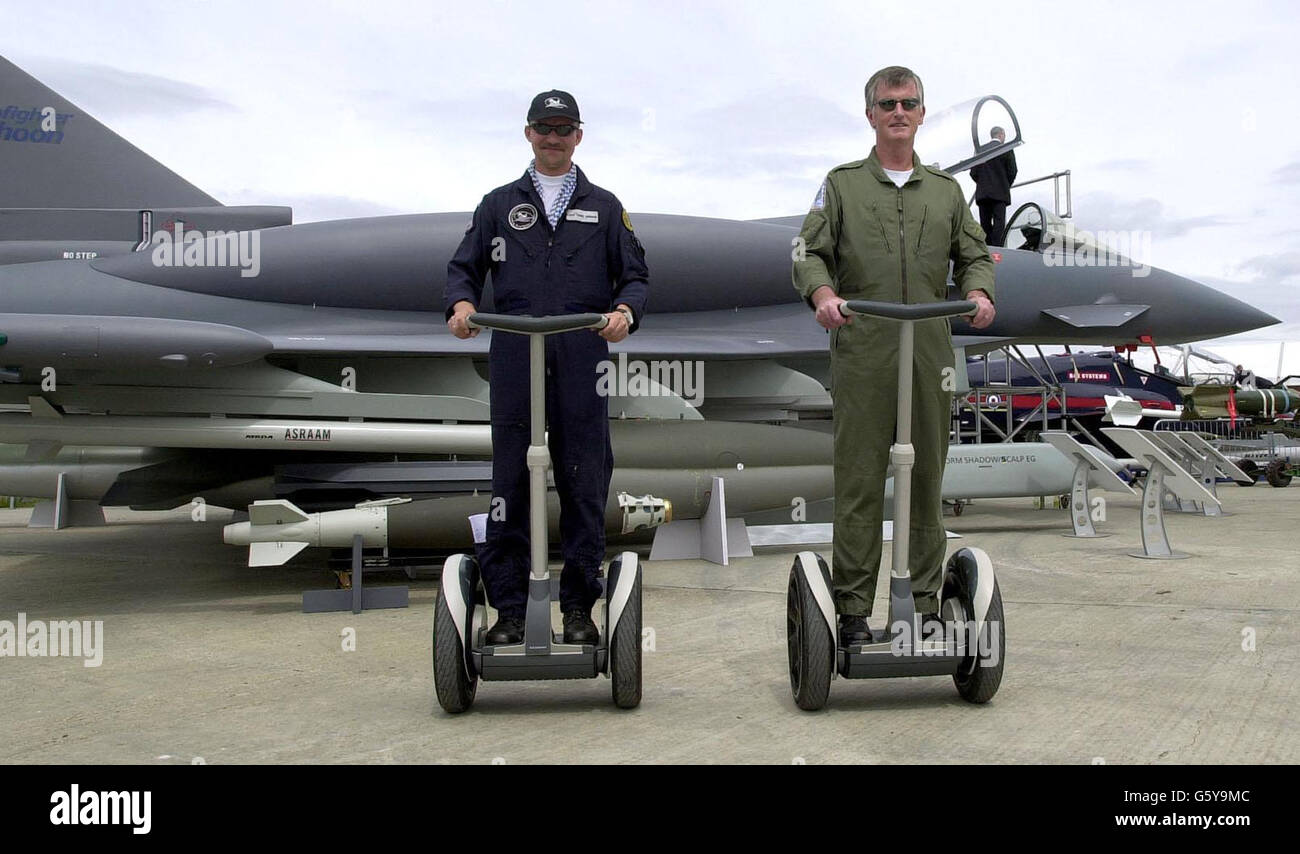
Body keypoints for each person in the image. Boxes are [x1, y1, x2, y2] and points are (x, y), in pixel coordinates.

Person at [792, 66, 996, 646]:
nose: (898, 112)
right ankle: (853, 609)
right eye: (888, 104)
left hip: (931, 348)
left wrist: (979, 292)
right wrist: (823, 292)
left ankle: (927, 605)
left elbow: (975, 255)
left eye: (909, 103)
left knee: (926, 476)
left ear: (922, 114)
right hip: (864, 347)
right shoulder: (842, 185)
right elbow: (807, 250)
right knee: (859, 478)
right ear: (871, 115)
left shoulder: (947, 192)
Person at [445, 90, 649, 646]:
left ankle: (580, 610)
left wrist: (625, 311)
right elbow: (463, 268)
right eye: (543, 127)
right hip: (515, 350)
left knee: (585, 482)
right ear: (528, 133)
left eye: (563, 128)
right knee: (510, 480)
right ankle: (510, 611)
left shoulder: (604, 207)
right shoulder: (497, 203)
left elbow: (634, 276)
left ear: (578, 135)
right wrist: (462, 306)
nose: (553, 137)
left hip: (582, 352)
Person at [969, 126, 1017, 246]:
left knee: (985, 224)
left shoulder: (980, 150)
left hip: (983, 194)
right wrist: (1004, 185)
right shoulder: (1006, 148)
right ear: (1001, 135)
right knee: (999, 223)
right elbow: (1013, 171)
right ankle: (998, 250)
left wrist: (983, 184)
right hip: (1000, 194)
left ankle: (987, 249)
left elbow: (973, 172)